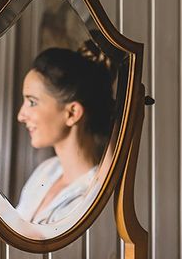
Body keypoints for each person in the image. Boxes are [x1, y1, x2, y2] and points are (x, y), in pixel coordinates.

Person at [15, 42, 114, 224]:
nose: (21, 116)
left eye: (32, 102)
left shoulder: (94, 195)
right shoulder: (45, 171)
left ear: (72, 113)